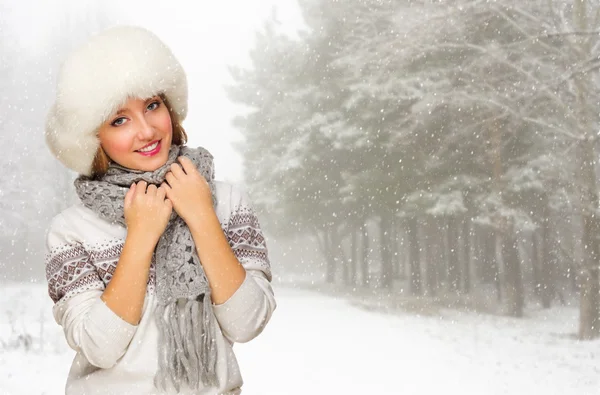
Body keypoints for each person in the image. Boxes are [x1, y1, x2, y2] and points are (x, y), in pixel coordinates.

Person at [43, 25, 276, 395]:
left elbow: (247, 323)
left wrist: (201, 215)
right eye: (119, 120)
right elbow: (100, 348)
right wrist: (140, 238)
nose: (147, 130)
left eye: (152, 105)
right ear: (93, 136)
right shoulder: (71, 229)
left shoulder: (226, 201)